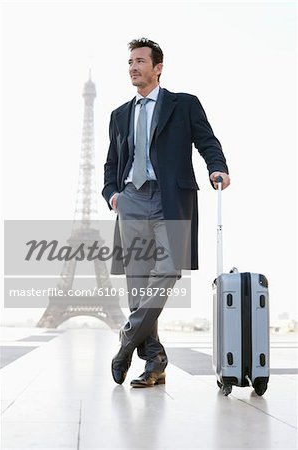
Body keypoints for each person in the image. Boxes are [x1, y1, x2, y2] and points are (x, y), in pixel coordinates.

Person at [102, 37, 230, 388]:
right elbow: (112, 163)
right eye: (130, 62)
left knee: (168, 271)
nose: (133, 67)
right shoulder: (120, 115)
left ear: (158, 67)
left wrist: (217, 168)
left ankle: (126, 343)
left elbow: (207, 142)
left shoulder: (183, 104)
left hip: (169, 199)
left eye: (141, 61)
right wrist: (113, 195)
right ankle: (155, 362)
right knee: (138, 286)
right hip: (131, 200)